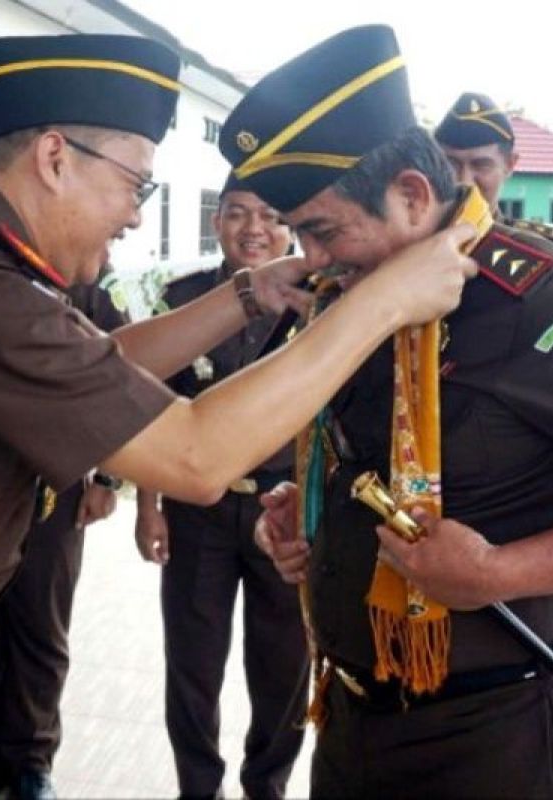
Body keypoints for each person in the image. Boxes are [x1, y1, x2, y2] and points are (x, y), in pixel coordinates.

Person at [0, 32, 479, 797]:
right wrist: (382, 301)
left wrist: (246, 292)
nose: (137, 217)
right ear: (55, 159)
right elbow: (195, 458)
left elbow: (105, 367)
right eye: (136, 184)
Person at [221, 24, 553, 798]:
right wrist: (306, 511)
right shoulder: (354, 293)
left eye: (321, 230)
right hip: (355, 716)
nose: (307, 259)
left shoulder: (539, 302)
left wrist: (498, 572)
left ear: (411, 194)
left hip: (499, 732)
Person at [134, 175, 308, 800]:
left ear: (290, 228)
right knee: (192, 665)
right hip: (196, 510)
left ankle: (268, 785)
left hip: (286, 511)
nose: (253, 229)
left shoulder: (320, 301)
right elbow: (154, 405)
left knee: (284, 668)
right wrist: (148, 509)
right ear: (217, 223)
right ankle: (197, 788)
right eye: (236, 214)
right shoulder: (186, 300)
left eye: (268, 215)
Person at [0, 275, 129, 800]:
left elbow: (127, 377)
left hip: (54, 489)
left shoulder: (90, 281)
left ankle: (31, 759)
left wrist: (108, 478)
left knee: (40, 627)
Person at [434, 91, 553, 243]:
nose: (464, 182)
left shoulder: (533, 247)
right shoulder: (413, 242)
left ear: (509, 165)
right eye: (450, 164)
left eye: (481, 165)